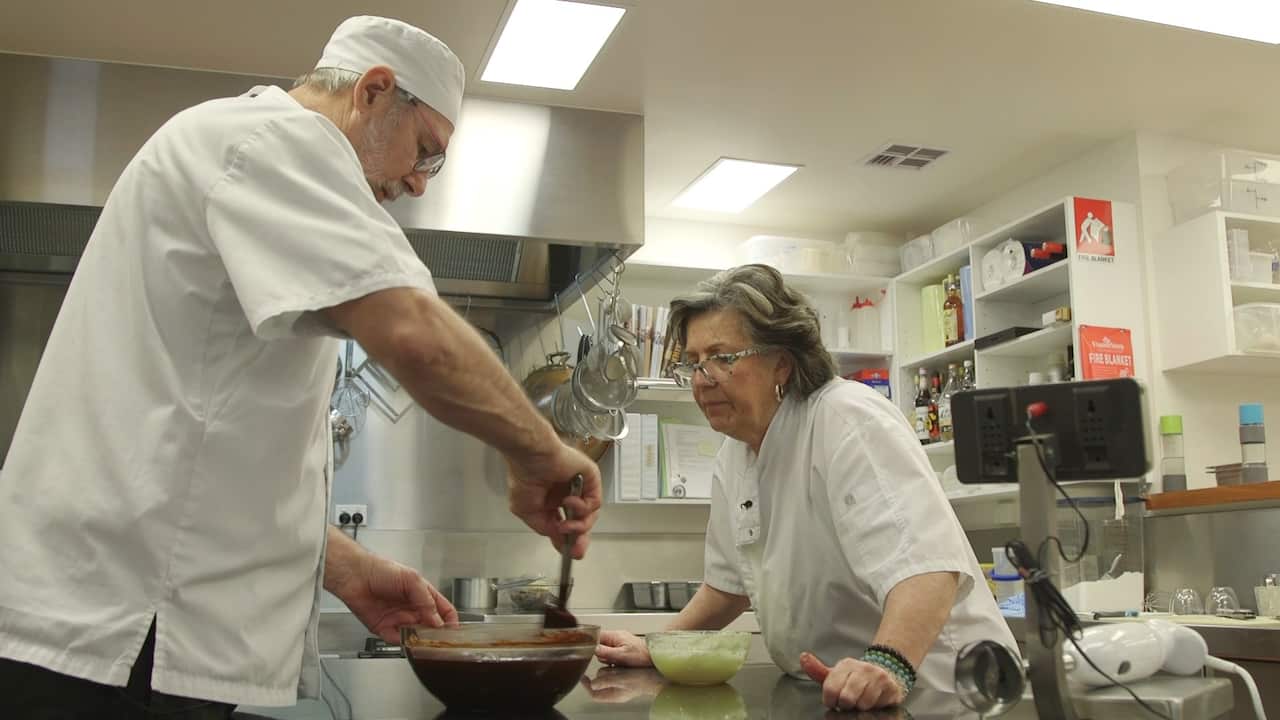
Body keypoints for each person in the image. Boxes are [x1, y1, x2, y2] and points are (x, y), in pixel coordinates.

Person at [0, 15, 602, 717]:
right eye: (426, 152)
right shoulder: (276, 140)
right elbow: (412, 330)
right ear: (375, 91)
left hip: (127, 631)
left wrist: (345, 568)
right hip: (123, 637)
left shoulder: (241, 154)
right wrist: (540, 454)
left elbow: (200, 446)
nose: (418, 183)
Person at [595, 264, 1016, 712]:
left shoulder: (846, 419)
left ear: (781, 361)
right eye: (694, 363)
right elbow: (727, 586)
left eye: (722, 357)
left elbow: (928, 568)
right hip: (842, 694)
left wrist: (889, 662)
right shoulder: (735, 455)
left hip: (942, 689)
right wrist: (658, 648)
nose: (703, 378)